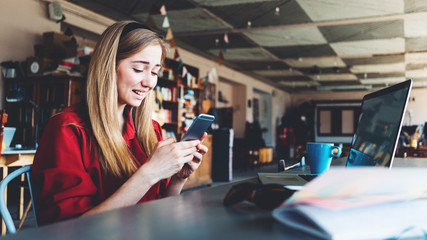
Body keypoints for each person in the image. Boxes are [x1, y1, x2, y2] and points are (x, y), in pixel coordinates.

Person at [32, 21, 208, 225]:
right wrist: (149, 173)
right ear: (108, 66)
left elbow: (160, 211)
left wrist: (179, 178)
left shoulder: (152, 130)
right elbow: (72, 229)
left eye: (154, 72)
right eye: (139, 69)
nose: (150, 82)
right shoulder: (67, 129)